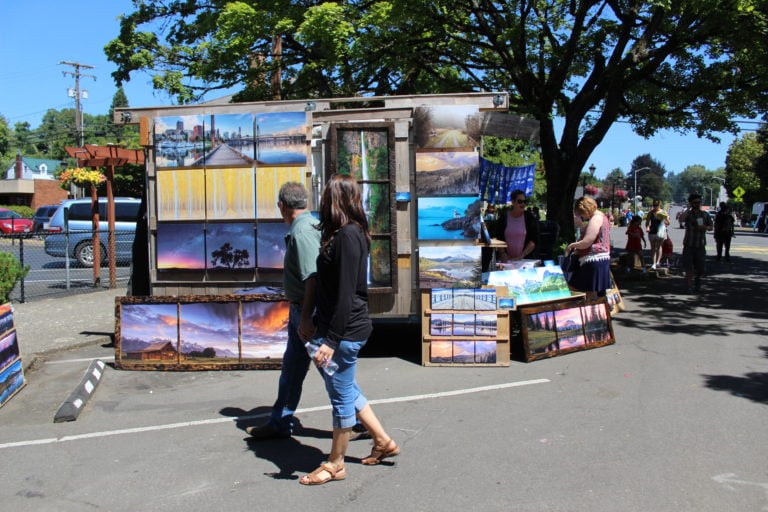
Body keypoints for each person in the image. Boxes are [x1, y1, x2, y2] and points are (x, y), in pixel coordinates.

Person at [299, 174, 399, 486]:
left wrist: (330, 340)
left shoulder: (348, 236)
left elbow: (345, 294)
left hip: (346, 331)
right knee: (345, 388)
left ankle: (336, 463)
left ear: (337, 200)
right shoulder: (341, 234)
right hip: (337, 327)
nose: (322, 202)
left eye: (327, 196)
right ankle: (382, 441)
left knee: (341, 395)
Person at [246, 182, 321, 439]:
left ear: (282, 206)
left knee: (332, 374)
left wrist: (307, 318)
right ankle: (280, 421)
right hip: (299, 312)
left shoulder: (302, 233)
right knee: (291, 370)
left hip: (307, 314)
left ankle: (361, 423)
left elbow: (313, 277)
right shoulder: (304, 227)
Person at [566, 196, 611, 298]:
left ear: (586, 209)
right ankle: (597, 312)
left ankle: (591, 312)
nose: (583, 216)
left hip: (593, 260)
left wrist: (573, 245)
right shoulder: (602, 217)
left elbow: (587, 241)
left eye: (581, 213)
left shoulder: (596, 219)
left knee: (580, 289)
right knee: (595, 294)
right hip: (600, 260)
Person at [494, 189, 539, 263]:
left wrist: (522, 256)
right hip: (505, 260)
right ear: (513, 202)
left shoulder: (529, 218)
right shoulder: (504, 217)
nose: (523, 204)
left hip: (524, 260)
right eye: (520, 201)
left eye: (524, 202)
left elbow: (534, 240)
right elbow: (498, 237)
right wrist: (503, 254)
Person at [682, 193, 713, 293]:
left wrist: (705, 227)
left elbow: (711, 227)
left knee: (700, 268)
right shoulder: (688, 214)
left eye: (699, 202)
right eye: (695, 202)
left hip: (700, 244)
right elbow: (681, 219)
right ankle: (689, 286)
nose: (698, 204)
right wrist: (688, 208)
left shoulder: (705, 214)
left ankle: (697, 281)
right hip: (689, 244)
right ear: (691, 203)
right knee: (689, 267)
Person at [645, 199, 670, 270]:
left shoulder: (664, 212)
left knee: (658, 247)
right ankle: (653, 263)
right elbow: (647, 222)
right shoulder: (651, 213)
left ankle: (658, 262)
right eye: (654, 205)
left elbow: (668, 222)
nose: (655, 207)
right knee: (653, 247)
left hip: (661, 231)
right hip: (652, 230)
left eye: (656, 205)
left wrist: (666, 220)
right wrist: (647, 228)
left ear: (659, 205)